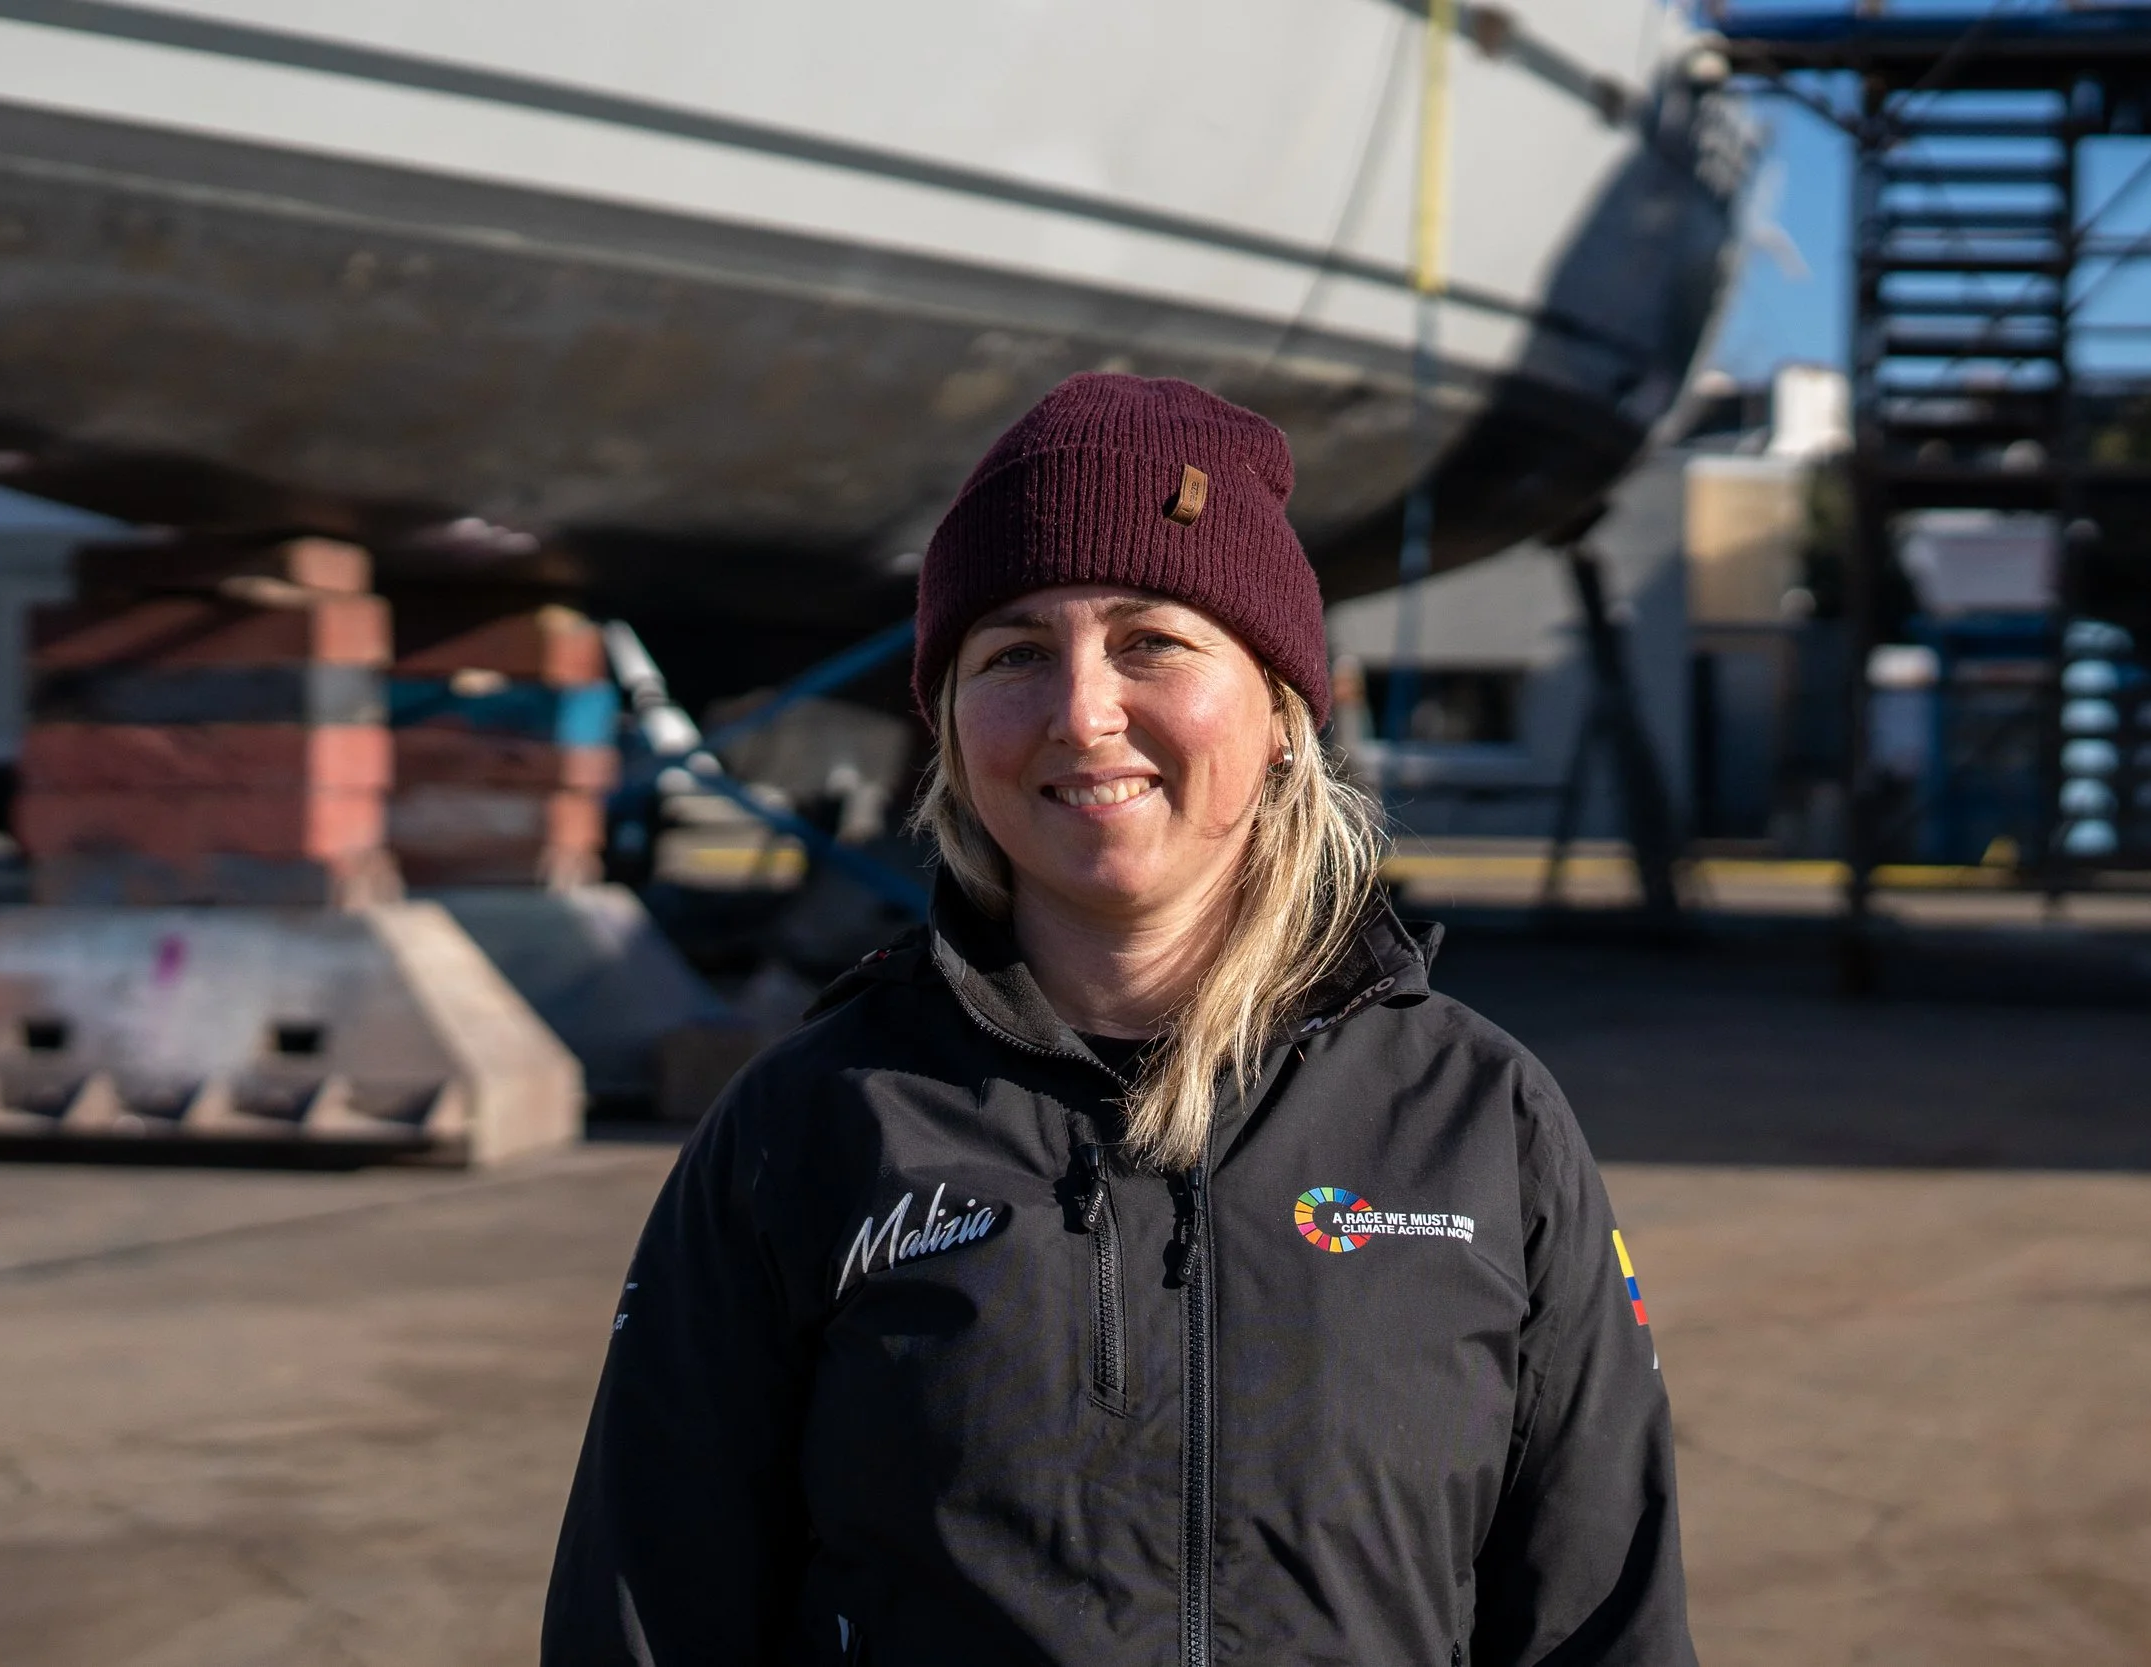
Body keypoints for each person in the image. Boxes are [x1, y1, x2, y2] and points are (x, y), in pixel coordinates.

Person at [542, 373, 1694, 1666]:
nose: (1083, 711)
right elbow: (641, 1624)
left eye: (1152, 639)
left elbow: (1607, 1626)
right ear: (953, 724)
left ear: (1278, 712)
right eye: (1015, 653)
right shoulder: (808, 1126)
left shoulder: (1484, 1126)